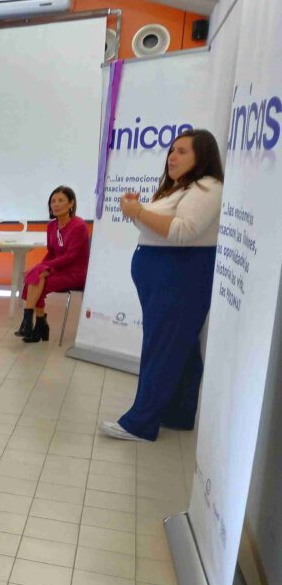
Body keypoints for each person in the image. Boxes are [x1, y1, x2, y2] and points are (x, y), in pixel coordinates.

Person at [100, 129, 224, 443]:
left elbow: (184, 231)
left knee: (162, 347)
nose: (172, 156)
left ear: (203, 155)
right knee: (180, 347)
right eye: (171, 150)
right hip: (166, 275)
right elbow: (158, 228)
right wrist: (136, 211)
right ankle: (179, 413)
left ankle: (141, 423)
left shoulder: (207, 187)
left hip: (180, 276)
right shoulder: (178, 189)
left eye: (182, 151)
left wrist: (138, 211)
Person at [15, 186, 90, 343]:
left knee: (36, 279)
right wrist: (39, 268)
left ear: (71, 204)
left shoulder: (79, 226)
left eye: (61, 200)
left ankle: (33, 324)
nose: (55, 204)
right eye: (53, 201)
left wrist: (45, 268)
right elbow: (51, 253)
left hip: (75, 273)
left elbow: (71, 257)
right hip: (58, 269)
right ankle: (37, 325)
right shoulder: (51, 226)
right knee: (34, 277)